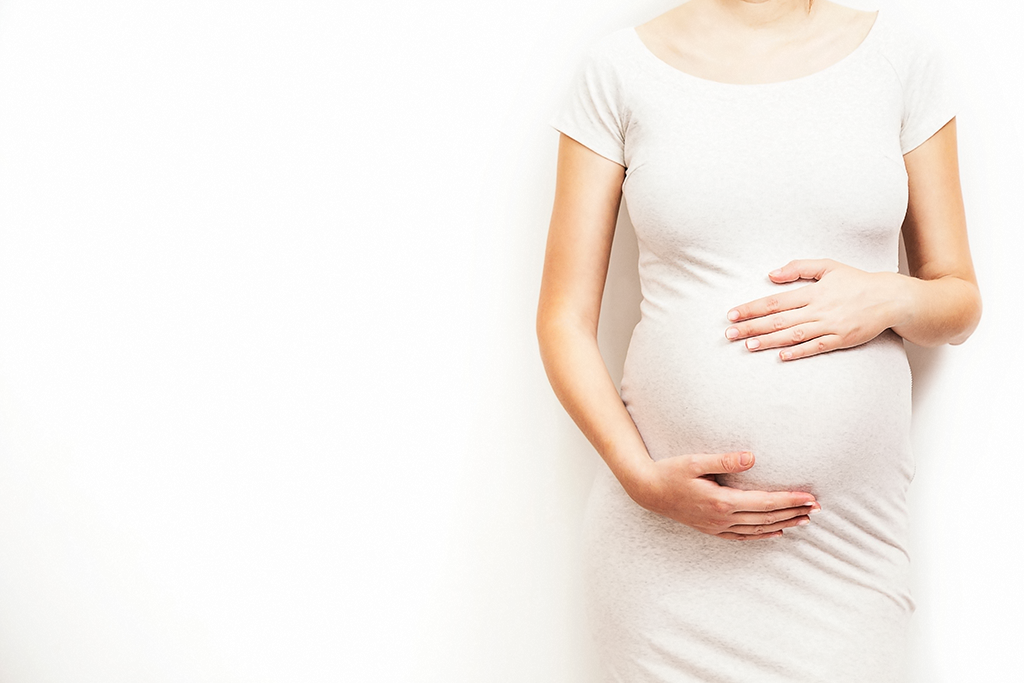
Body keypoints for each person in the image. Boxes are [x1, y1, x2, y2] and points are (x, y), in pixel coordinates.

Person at [535, 0, 981, 680]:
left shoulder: (900, 58)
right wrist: (641, 479)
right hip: (665, 553)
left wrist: (887, 294)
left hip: (845, 550)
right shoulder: (619, 70)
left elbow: (958, 298)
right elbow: (563, 319)